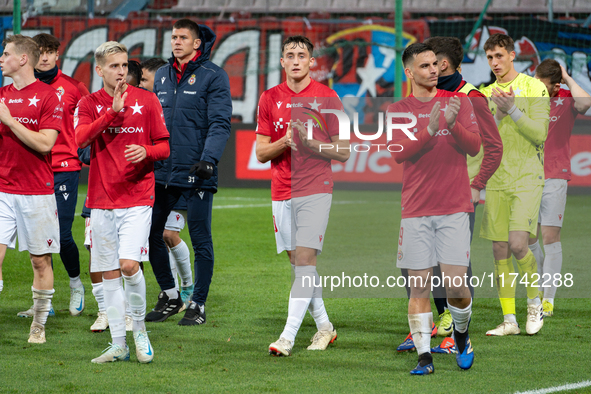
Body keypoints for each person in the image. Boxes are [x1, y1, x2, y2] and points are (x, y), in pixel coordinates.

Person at [393, 36, 503, 354]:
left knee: (453, 268)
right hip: (424, 195)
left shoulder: (471, 97)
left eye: (431, 61)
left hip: (459, 193)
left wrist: (477, 184)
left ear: (442, 63)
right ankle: (429, 326)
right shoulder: (424, 98)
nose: (427, 67)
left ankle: (456, 333)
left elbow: (492, 147)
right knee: (415, 267)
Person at [75, 41, 170, 363]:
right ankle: (119, 343)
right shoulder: (89, 103)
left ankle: (139, 330)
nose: (121, 72)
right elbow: (79, 140)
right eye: (113, 66)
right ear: (99, 70)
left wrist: (147, 152)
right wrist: (110, 114)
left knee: (129, 265)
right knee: (110, 274)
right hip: (101, 200)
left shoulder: (147, 100)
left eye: (124, 65)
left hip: (138, 196)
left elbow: (164, 147)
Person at [255, 35, 349, 357]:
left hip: (316, 189)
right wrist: (284, 142)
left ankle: (287, 337)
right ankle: (325, 328)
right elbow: (260, 153)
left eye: (302, 55)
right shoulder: (269, 98)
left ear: (312, 62)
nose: (296, 60)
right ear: (282, 62)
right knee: (299, 264)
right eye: (290, 55)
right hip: (281, 190)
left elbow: (344, 151)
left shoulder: (328, 97)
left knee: (306, 261)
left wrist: (311, 144)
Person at [147, 18, 232, 326]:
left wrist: (209, 158)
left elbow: (220, 123)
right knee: (152, 234)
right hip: (163, 173)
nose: (176, 42)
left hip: (197, 172)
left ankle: (198, 303)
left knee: (200, 239)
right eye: (173, 37)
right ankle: (171, 295)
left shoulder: (214, 76)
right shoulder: (162, 76)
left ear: (197, 43)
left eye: (183, 37)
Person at [15, 33, 90, 320]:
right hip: (32, 167)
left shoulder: (73, 87)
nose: (45, 57)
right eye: (40, 52)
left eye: (50, 52)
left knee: (61, 234)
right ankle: (45, 301)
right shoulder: (20, 88)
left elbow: (91, 120)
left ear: (58, 55)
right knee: (37, 239)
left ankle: (75, 284)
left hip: (64, 167)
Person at [479, 33, 550, 336]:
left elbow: (540, 134)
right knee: (499, 251)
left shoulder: (535, 88)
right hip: (497, 178)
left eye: (499, 56)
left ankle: (535, 304)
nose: (494, 63)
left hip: (527, 177)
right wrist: (496, 113)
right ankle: (509, 320)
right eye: (490, 58)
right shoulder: (484, 94)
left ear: (511, 55)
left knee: (519, 244)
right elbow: (482, 139)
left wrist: (513, 110)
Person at [0, 34, 63, 343]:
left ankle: (38, 324)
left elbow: (46, 143)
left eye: (6, 53)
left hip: (36, 191)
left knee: (40, 260)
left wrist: (11, 122)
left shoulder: (49, 97)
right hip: (2, 190)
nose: (1, 58)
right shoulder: (1, 94)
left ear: (23, 59)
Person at [530, 59, 591, 316]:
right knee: (526, 238)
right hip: (526, 176)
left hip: (555, 175)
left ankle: (548, 300)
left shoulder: (566, 98)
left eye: (544, 86)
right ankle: (542, 283)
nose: (539, 89)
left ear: (556, 87)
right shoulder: (530, 95)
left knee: (550, 237)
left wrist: (566, 76)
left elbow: (586, 103)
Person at [141, 57, 194, 309]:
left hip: (176, 176)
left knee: (168, 234)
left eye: (144, 79)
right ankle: (173, 293)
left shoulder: (175, 102)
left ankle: (186, 289)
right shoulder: (144, 106)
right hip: (155, 178)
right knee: (159, 237)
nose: (140, 84)